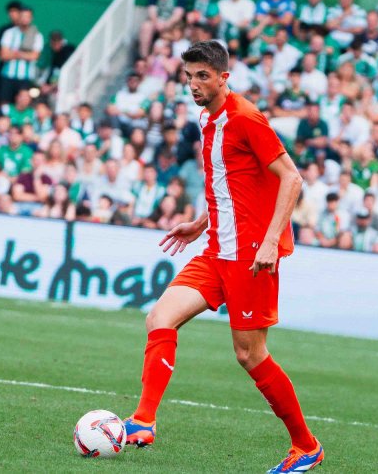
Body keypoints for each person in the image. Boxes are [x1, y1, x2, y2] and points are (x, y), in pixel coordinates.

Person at [123, 41, 323, 473]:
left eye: (201, 76)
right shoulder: (206, 117)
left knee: (250, 354)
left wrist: (271, 241)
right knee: (159, 318)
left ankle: (306, 446)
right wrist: (200, 223)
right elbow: (229, 181)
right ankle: (142, 421)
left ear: (223, 78)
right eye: (188, 76)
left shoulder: (245, 118)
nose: (193, 85)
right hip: (216, 249)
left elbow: (292, 178)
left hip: (252, 254)